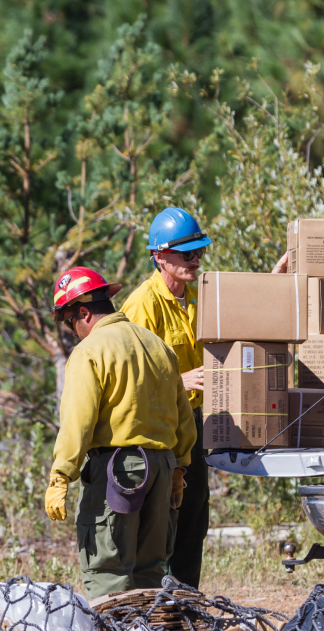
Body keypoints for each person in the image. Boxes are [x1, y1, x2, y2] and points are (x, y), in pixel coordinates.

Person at [45, 266, 196, 600]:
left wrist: (61, 475)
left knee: (108, 573)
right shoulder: (157, 345)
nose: (72, 331)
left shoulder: (90, 351)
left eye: (69, 322)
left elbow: (78, 421)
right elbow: (183, 416)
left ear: (83, 313)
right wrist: (179, 469)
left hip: (118, 473)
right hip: (162, 470)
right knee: (150, 573)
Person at [119, 207, 214, 590]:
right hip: (157, 431)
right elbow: (130, 377)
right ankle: (151, 603)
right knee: (159, 522)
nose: (195, 259)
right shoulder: (142, 305)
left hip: (192, 425)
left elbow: (242, 316)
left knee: (193, 517)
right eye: (187, 252)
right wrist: (179, 381)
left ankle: (186, 603)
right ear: (159, 256)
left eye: (199, 251)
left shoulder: (198, 298)